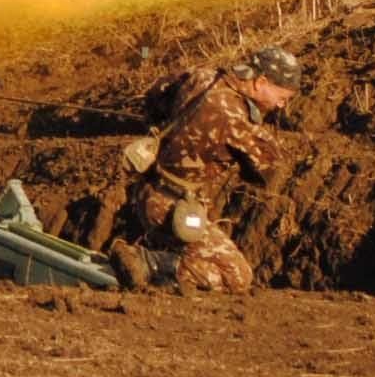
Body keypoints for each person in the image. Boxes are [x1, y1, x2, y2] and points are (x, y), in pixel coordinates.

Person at [106, 47, 304, 295]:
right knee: (237, 276)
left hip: (149, 188)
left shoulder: (203, 77)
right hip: (170, 207)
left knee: (204, 256)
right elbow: (268, 169)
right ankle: (148, 263)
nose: (282, 105)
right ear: (260, 82)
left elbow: (159, 91)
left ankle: (157, 275)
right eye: (282, 97)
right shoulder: (236, 118)